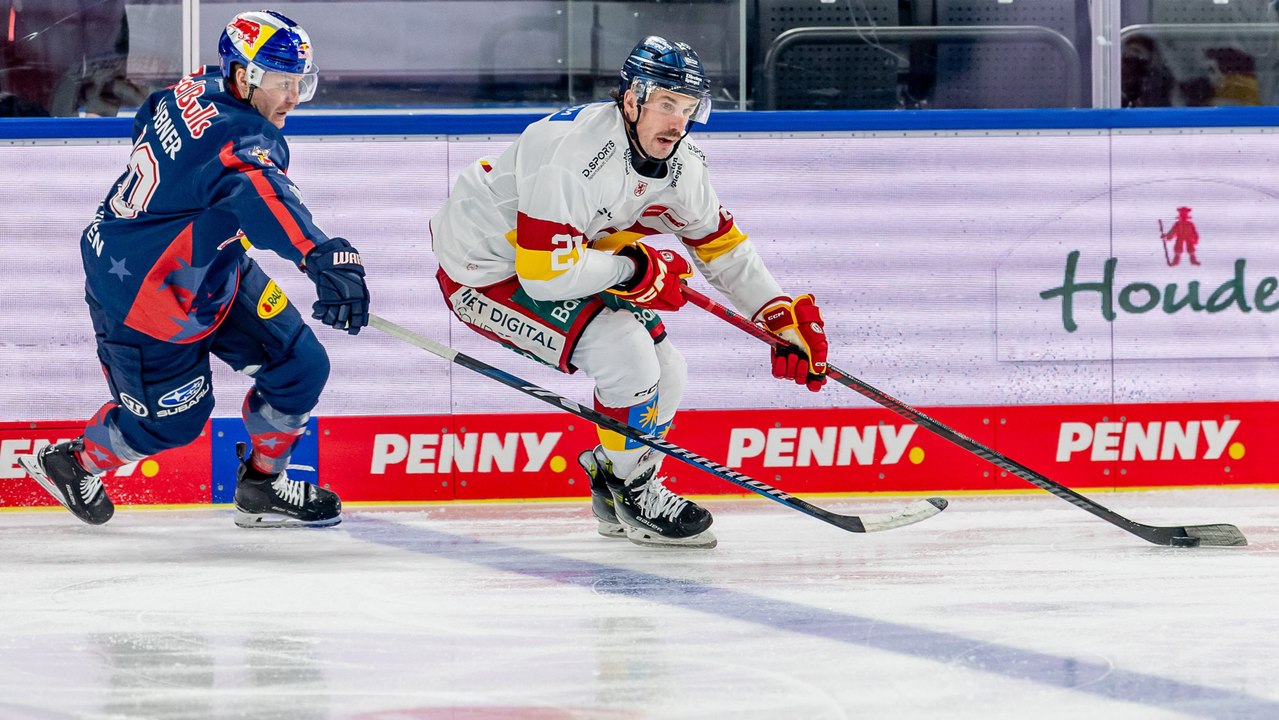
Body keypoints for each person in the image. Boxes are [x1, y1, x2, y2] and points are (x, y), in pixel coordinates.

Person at [429, 36, 829, 549]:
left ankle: (614, 477)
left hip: (568, 258)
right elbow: (544, 275)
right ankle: (634, 492)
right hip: (482, 270)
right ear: (633, 97)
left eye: (688, 108)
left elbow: (721, 247)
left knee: (669, 370)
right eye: (667, 104)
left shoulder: (684, 165)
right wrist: (633, 268)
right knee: (626, 353)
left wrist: (776, 314)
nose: (678, 122)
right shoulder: (571, 154)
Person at [19, 10, 371, 528]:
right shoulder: (243, 140)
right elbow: (265, 196)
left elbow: (149, 119)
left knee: (301, 367)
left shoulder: (198, 85)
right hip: (143, 298)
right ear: (244, 76)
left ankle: (262, 487)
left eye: (301, 82)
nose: (293, 97)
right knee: (173, 424)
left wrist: (188, 207)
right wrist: (322, 256)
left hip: (212, 272)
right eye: (281, 82)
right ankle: (73, 463)